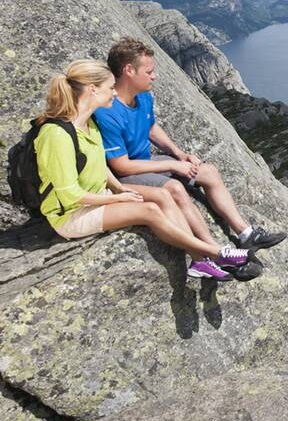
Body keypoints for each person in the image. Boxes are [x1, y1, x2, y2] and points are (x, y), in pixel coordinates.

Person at [34, 60, 254, 281]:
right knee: (149, 210)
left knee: (163, 194)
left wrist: (119, 188)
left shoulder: (88, 125)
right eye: (110, 88)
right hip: (71, 214)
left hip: (99, 195)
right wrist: (116, 200)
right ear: (93, 89)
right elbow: (69, 194)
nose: (114, 93)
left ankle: (199, 262)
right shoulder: (56, 135)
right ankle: (214, 253)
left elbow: (99, 165)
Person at [94, 38, 286, 252]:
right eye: (149, 72)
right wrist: (173, 166)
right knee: (176, 188)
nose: (154, 76)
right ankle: (214, 252)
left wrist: (179, 154)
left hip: (147, 162)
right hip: (127, 175)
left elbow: (151, 129)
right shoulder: (107, 111)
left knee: (209, 172)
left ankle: (246, 234)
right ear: (129, 70)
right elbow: (122, 167)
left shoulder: (143, 97)